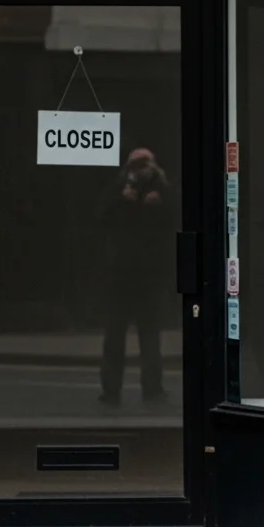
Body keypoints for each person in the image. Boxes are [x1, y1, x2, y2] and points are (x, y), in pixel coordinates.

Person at [99, 147, 173, 405]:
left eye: (146, 164)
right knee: (115, 337)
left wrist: (159, 199)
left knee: (150, 337)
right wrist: (122, 198)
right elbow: (102, 217)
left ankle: (153, 389)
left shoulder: (161, 190)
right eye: (137, 164)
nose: (142, 170)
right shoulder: (120, 189)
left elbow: (172, 220)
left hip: (149, 275)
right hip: (121, 273)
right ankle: (110, 391)